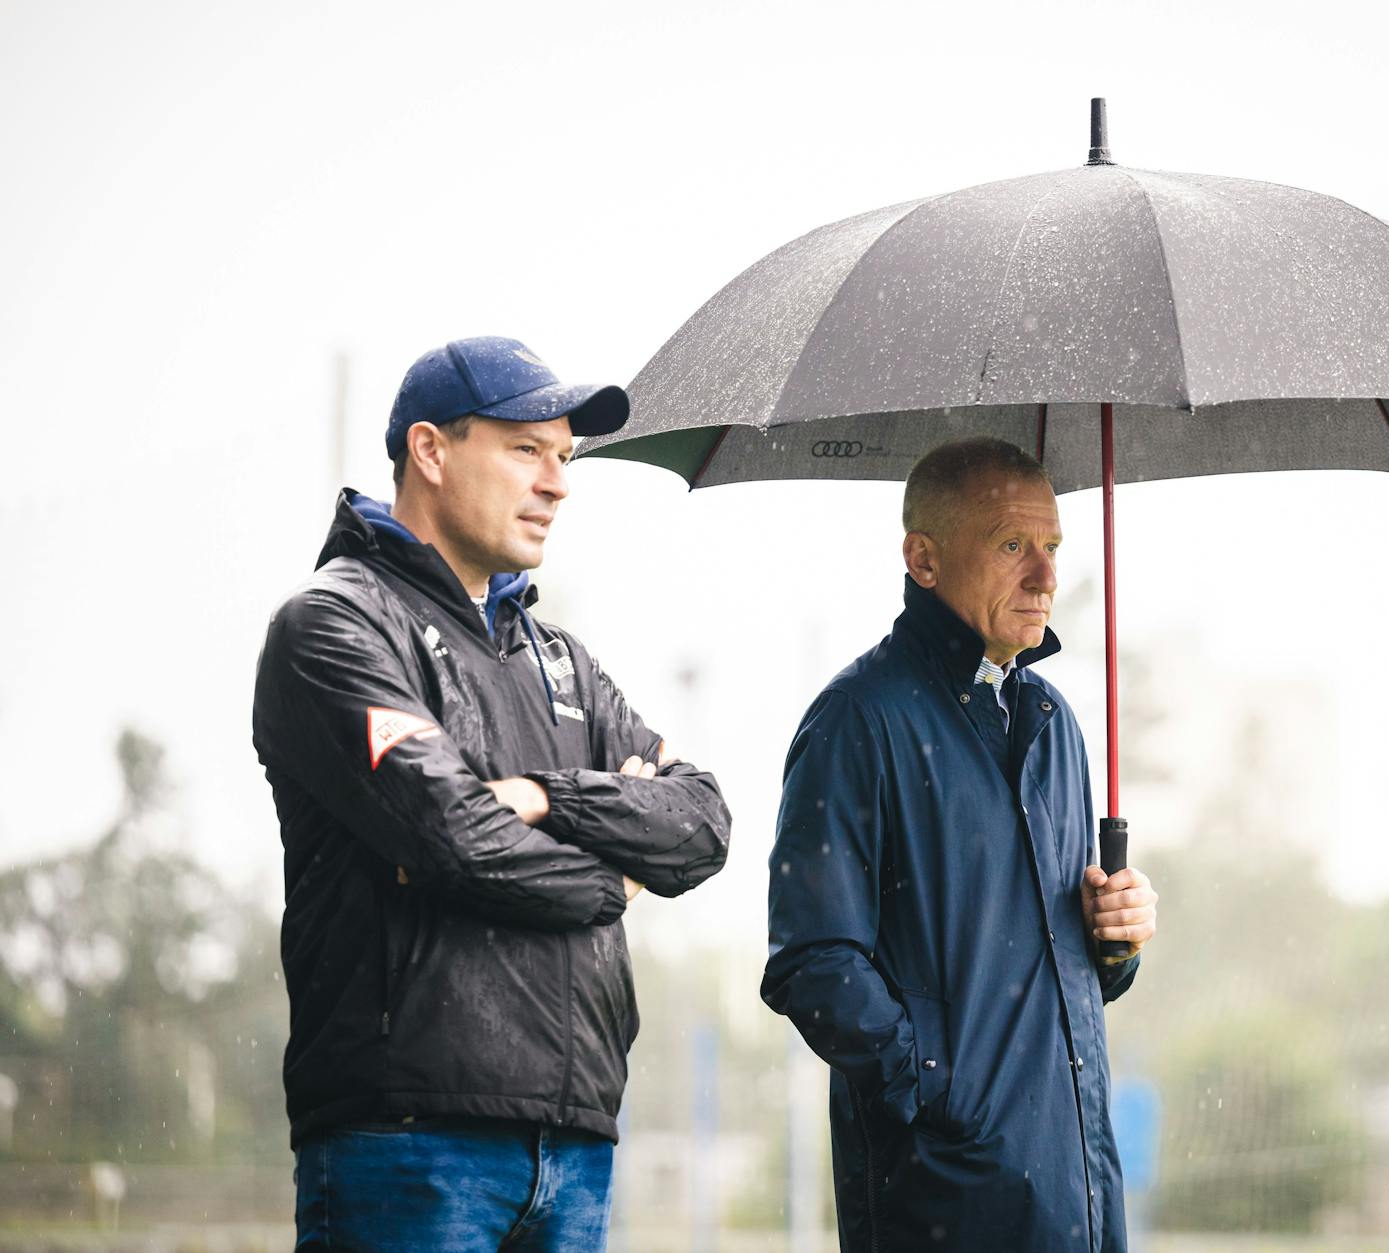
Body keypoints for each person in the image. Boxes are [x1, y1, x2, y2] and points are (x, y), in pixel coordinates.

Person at [252, 335, 731, 1250]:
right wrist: (614, 883)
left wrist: (550, 798)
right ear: (430, 451)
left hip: (579, 1147)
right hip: (406, 1144)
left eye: (564, 457)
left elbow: (703, 822)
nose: (558, 482)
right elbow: (455, 837)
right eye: (526, 449)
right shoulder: (332, 624)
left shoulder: (562, 659)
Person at [762, 436, 1159, 1252]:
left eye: (1051, 547)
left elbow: (1062, 970)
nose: (1047, 576)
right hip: (943, 1203)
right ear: (924, 559)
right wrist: (948, 1097)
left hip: (1078, 1198)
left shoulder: (1056, 726)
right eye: (1014, 545)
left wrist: (1113, 941)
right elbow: (812, 963)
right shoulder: (857, 721)